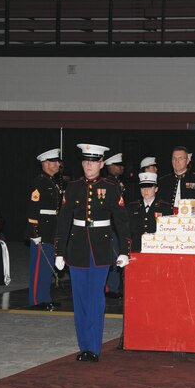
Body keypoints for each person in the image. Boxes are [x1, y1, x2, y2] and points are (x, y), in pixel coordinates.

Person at [54, 143, 131, 362]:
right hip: (77, 246)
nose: (89, 165)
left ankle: (94, 347)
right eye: (86, 161)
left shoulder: (111, 186)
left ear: (102, 164)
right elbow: (63, 221)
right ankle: (84, 346)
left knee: (96, 297)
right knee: (79, 299)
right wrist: (59, 252)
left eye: (93, 161)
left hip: (100, 247)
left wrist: (125, 251)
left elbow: (122, 221)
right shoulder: (73, 186)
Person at [26, 148, 62, 311]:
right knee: (39, 265)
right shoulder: (39, 182)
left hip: (51, 228)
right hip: (41, 229)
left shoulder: (52, 182)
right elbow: (33, 208)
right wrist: (35, 231)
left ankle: (45, 296)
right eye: (55, 161)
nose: (58, 164)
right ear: (46, 163)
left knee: (47, 265)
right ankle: (35, 299)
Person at [157, 146, 195, 215]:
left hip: (190, 222)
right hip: (167, 221)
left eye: (180, 158)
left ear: (187, 161)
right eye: (174, 158)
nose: (177, 161)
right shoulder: (163, 181)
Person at [127, 172, 172, 251]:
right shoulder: (132, 207)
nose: (145, 190)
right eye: (143, 187)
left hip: (157, 247)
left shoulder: (165, 208)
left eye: (149, 187)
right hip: (137, 248)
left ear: (156, 189)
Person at [103, 152, 125, 298]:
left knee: (117, 256)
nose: (121, 168)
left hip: (117, 226)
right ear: (110, 166)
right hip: (110, 226)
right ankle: (111, 287)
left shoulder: (117, 183)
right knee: (112, 257)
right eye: (118, 165)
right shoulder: (107, 183)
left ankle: (114, 286)